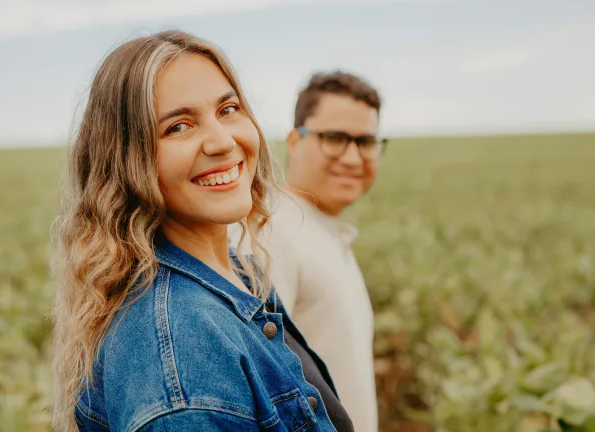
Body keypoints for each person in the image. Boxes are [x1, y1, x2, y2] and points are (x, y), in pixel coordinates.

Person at [50, 31, 354, 432]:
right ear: (125, 161)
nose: (222, 141)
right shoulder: (180, 365)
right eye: (178, 126)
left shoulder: (238, 271)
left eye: (228, 109)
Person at [231, 71, 387, 432]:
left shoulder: (320, 228)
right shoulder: (271, 229)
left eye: (365, 141)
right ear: (295, 141)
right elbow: (259, 382)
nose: (352, 156)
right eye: (334, 138)